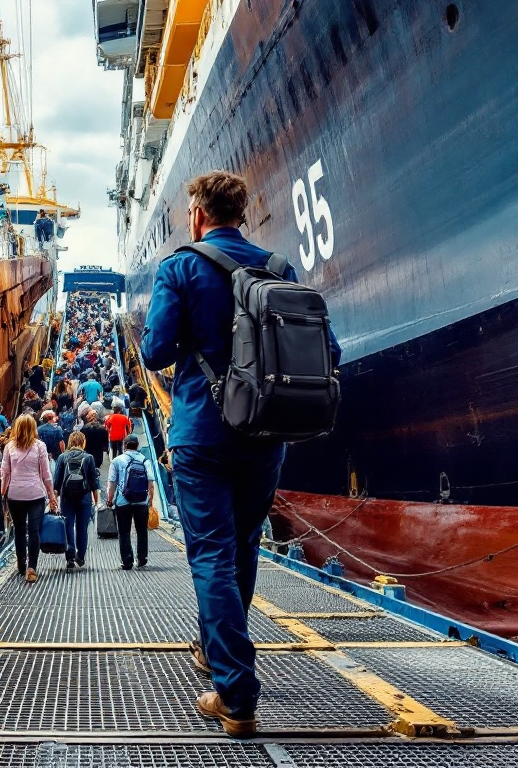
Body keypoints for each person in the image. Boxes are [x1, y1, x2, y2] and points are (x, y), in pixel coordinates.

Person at [140, 170, 342, 737]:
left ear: (199, 216)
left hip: (203, 433)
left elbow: (155, 352)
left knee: (209, 554)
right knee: (244, 546)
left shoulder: (180, 266)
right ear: (242, 213)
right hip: (265, 434)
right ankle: (215, 654)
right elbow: (327, 348)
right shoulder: (278, 270)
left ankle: (235, 693)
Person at [0, 414, 58, 583]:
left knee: (19, 530)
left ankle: (20, 564)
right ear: (33, 428)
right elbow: (46, 474)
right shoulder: (40, 446)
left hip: (15, 494)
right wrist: (52, 496)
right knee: (34, 531)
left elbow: (5, 472)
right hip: (35, 494)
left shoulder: (9, 446)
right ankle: (31, 568)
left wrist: (4, 491)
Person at [107, 435, 155, 571]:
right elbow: (151, 483)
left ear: (125, 445)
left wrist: (110, 499)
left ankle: (127, 561)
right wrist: (150, 501)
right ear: (137, 446)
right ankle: (142, 558)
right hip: (141, 501)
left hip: (123, 502)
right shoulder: (145, 461)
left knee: (124, 532)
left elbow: (112, 483)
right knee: (142, 530)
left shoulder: (116, 461)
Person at [53, 431, 100, 569]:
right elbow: (93, 483)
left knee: (68, 525)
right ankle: (81, 556)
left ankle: (70, 555)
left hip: (67, 497)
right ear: (83, 442)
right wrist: (95, 502)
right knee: (82, 527)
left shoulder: (62, 457)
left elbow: (57, 482)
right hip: (84, 497)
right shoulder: (89, 457)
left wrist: (54, 499)